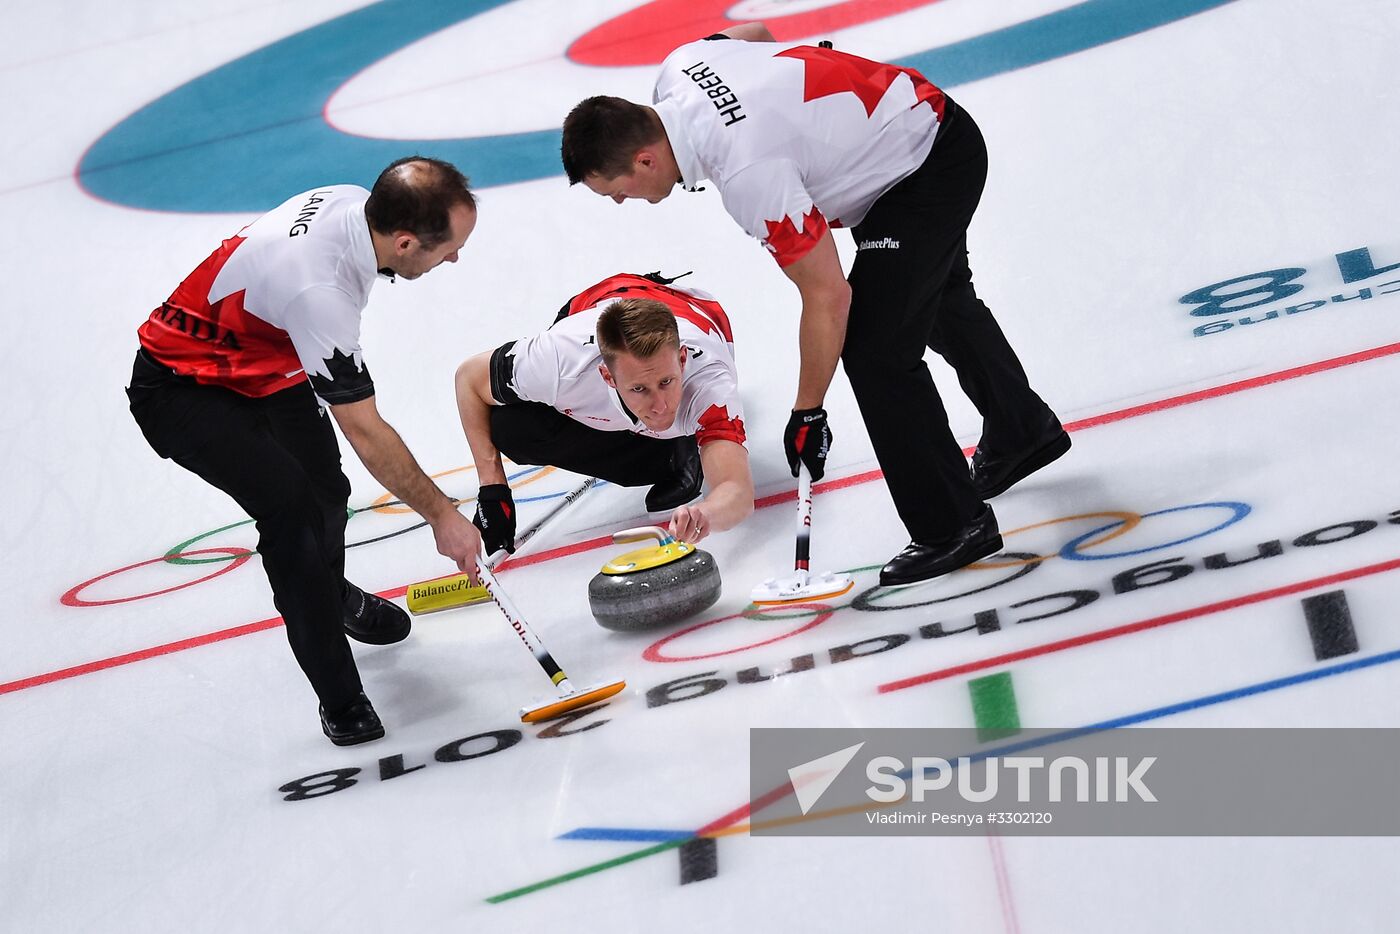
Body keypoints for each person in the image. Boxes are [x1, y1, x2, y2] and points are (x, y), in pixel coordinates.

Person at [560, 23, 1071, 587]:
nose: (622, 202)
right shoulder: (680, 64)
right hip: (918, 122)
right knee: (932, 296)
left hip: (923, 167)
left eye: (617, 190)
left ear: (646, 159)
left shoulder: (749, 174)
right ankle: (1022, 429)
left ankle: (953, 525)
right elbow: (753, 33)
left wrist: (808, 411)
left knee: (876, 347)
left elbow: (828, 295)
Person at [126, 156, 484, 746]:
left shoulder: (354, 201)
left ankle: (330, 593)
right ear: (402, 240)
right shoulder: (322, 291)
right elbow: (366, 430)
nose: (455, 258)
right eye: (448, 248)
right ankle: (340, 698)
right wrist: (443, 515)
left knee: (327, 492)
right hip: (180, 389)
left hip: (264, 362)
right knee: (290, 513)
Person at [454, 272, 753, 549]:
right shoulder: (559, 363)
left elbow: (736, 490)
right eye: (640, 389)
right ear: (607, 377)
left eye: (666, 382)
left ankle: (681, 444)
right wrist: (493, 491)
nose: (661, 405)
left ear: (683, 360)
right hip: (594, 306)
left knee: (679, 421)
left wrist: (706, 514)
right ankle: (669, 453)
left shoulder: (709, 384)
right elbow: (469, 378)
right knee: (509, 427)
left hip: (688, 309)